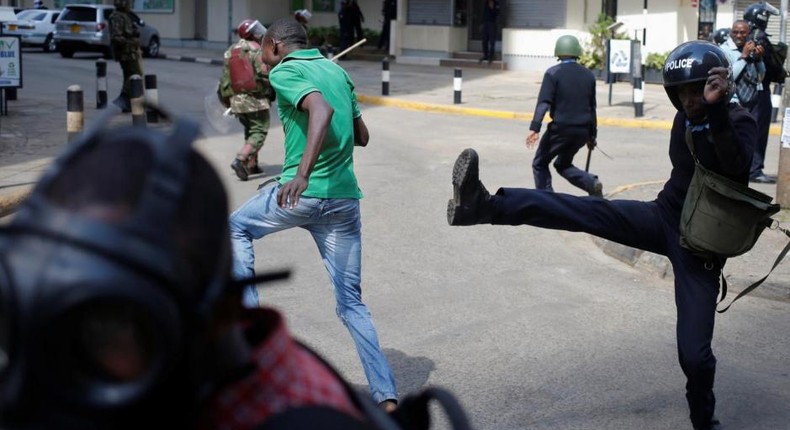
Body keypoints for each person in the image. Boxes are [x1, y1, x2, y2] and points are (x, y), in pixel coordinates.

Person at [0, 109, 382, 430]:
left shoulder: (301, 414)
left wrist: (300, 174)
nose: (49, 343)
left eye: (106, 323)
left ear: (220, 317)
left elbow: (326, 114)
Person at [446, 41, 754, 430]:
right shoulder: (684, 119)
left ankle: (704, 421)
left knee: (694, 355)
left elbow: (734, 170)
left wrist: (715, 113)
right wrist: (698, 116)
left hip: (701, 248)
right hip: (663, 217)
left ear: (716, 86)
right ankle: (485, 206)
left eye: (697, 90)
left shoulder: (738, 120)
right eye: (683, 93)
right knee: (583, 210)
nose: (691, 100)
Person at [228, 18, 399, 412]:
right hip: (342, 201)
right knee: (352, 304)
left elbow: (318, 109)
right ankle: (386, 397)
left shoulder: (288, 70)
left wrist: (302, 175)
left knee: (235, 228)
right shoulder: (336, 70)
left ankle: (255, 336)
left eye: (264, 55)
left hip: (301, 196)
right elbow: (363, 136)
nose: (265, 64)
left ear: (274, 45)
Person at [526, 34, 602, 197]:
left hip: (560, 131)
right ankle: (591, 183)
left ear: (558, 52)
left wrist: (535, 128)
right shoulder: (588, 75)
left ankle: (547, 200)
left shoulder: (553, 73)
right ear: (577, 52)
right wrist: (592, 136)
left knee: (539, 163)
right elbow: (592, 108)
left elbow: (543, 103)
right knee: (562, 163)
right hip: (581, 132)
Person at [219, 19, 272, 181]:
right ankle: (241, 159)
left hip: (236, 100)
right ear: (250, 34)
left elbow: (225, 80)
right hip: (255, 99)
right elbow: (264, 74)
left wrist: (228, 101)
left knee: (250, 130)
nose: (259, 32)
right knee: (259, 130)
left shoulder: (230, 51)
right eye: (255, 30)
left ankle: (252, 164)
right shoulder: (256, 50)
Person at [722, 19, 774, 185]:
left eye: (742, 33)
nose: (738, 36)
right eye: (735, 32)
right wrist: (743, 57)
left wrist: (758, 59)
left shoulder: (751, 49)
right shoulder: (725, 51)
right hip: (734, 104)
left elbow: (761, 77)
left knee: (749, 142)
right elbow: (728, 78)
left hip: (751, 104)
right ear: (731, 32)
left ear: (748, 33)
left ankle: (749, 173)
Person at [743, 1, 782, 184]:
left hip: (750, 92)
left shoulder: (748, 35)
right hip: (760, 91)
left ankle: (749, 167)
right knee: (758, 132)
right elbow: (768, 67)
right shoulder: (759, 38)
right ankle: (755, 169)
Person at [108, 0, 142, 114]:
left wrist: (135, 32)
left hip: (131, 52)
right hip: (125, 53)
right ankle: (123, 99)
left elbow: (131, 31)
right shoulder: (117, 17)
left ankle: (127, 104)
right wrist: (131, 42)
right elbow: (116, 37)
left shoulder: (126, 16)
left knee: (130, 76)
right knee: (135, 75)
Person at [479, 0, 498, 64]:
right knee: (484, 41)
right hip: (485, 24)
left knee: (492, 41)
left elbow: (496, 14)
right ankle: (486, 55)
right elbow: (484, 14)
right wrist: (482, 23)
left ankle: (491, 56)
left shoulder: (496, 3)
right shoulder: (486, 3)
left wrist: (492, 8)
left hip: (492, 24)